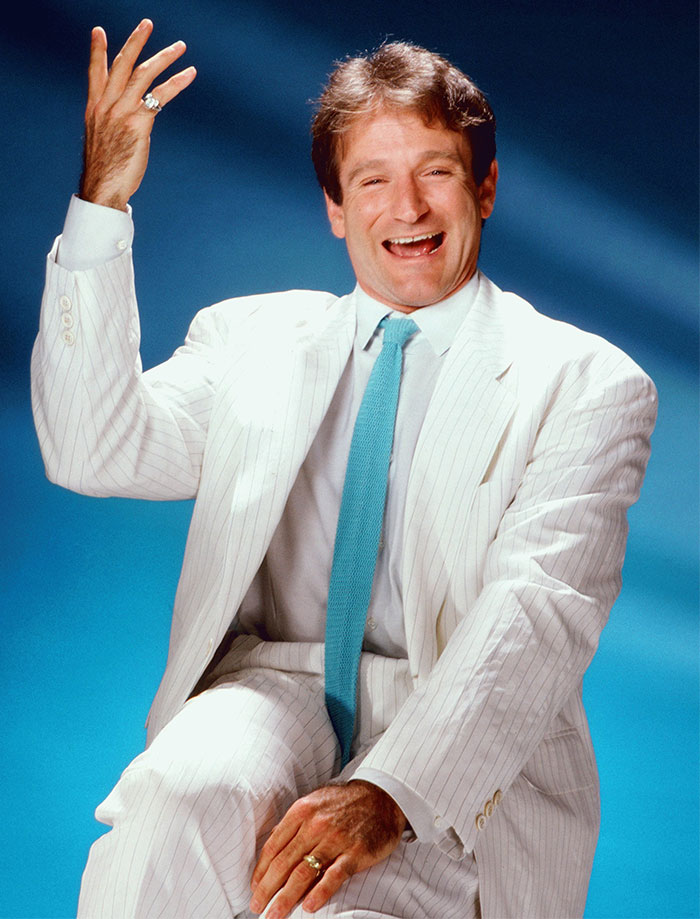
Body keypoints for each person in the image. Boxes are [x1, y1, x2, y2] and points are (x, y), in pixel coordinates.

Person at [31, 19, 657, 919]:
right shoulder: (250, 339)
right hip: (273, 685)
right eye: (372, 180)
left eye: (435, 171)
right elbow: (92, 446)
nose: (405, 208)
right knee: (166, 814)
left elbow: (538, 614)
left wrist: (391, 793)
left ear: (484, 188)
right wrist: (101, 206)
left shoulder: (586, 382)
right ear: (334, 207)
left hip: (455, 725)